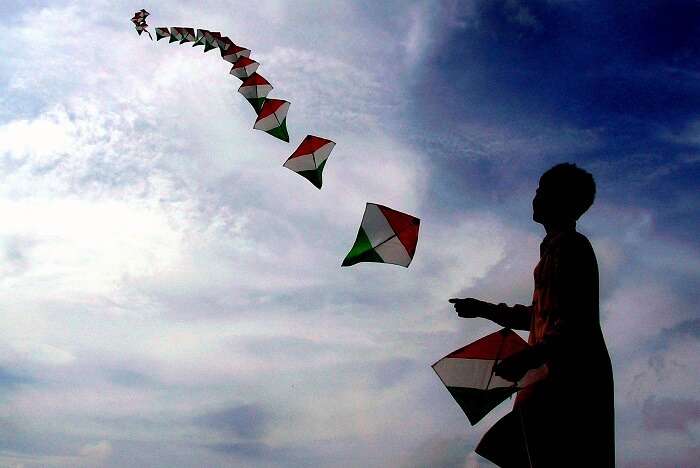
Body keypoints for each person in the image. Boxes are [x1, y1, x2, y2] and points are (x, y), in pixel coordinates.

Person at [449, 163, 614, 467]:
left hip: (566, 385)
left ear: (561, 199)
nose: (535, 197)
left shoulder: (570, 247)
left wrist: (528, 357)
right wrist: (483, 309)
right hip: (550, 380)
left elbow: (573, 323)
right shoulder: (555, 250)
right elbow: (541, 315)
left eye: (541, 191)